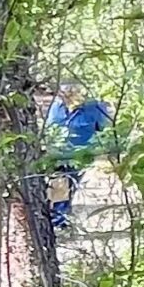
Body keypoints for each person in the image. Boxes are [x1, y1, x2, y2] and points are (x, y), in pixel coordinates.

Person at [44, 84, 111, 232]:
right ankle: (58, 219)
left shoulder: (94, 108)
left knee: (70, 185)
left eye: (71, 92)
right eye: (64, 92)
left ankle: (59, 217)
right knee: (60, 184)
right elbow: (49, 128)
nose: (67, 95)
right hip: (58, 154)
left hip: (81, 155)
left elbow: (105, 130)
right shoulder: (57, 107)